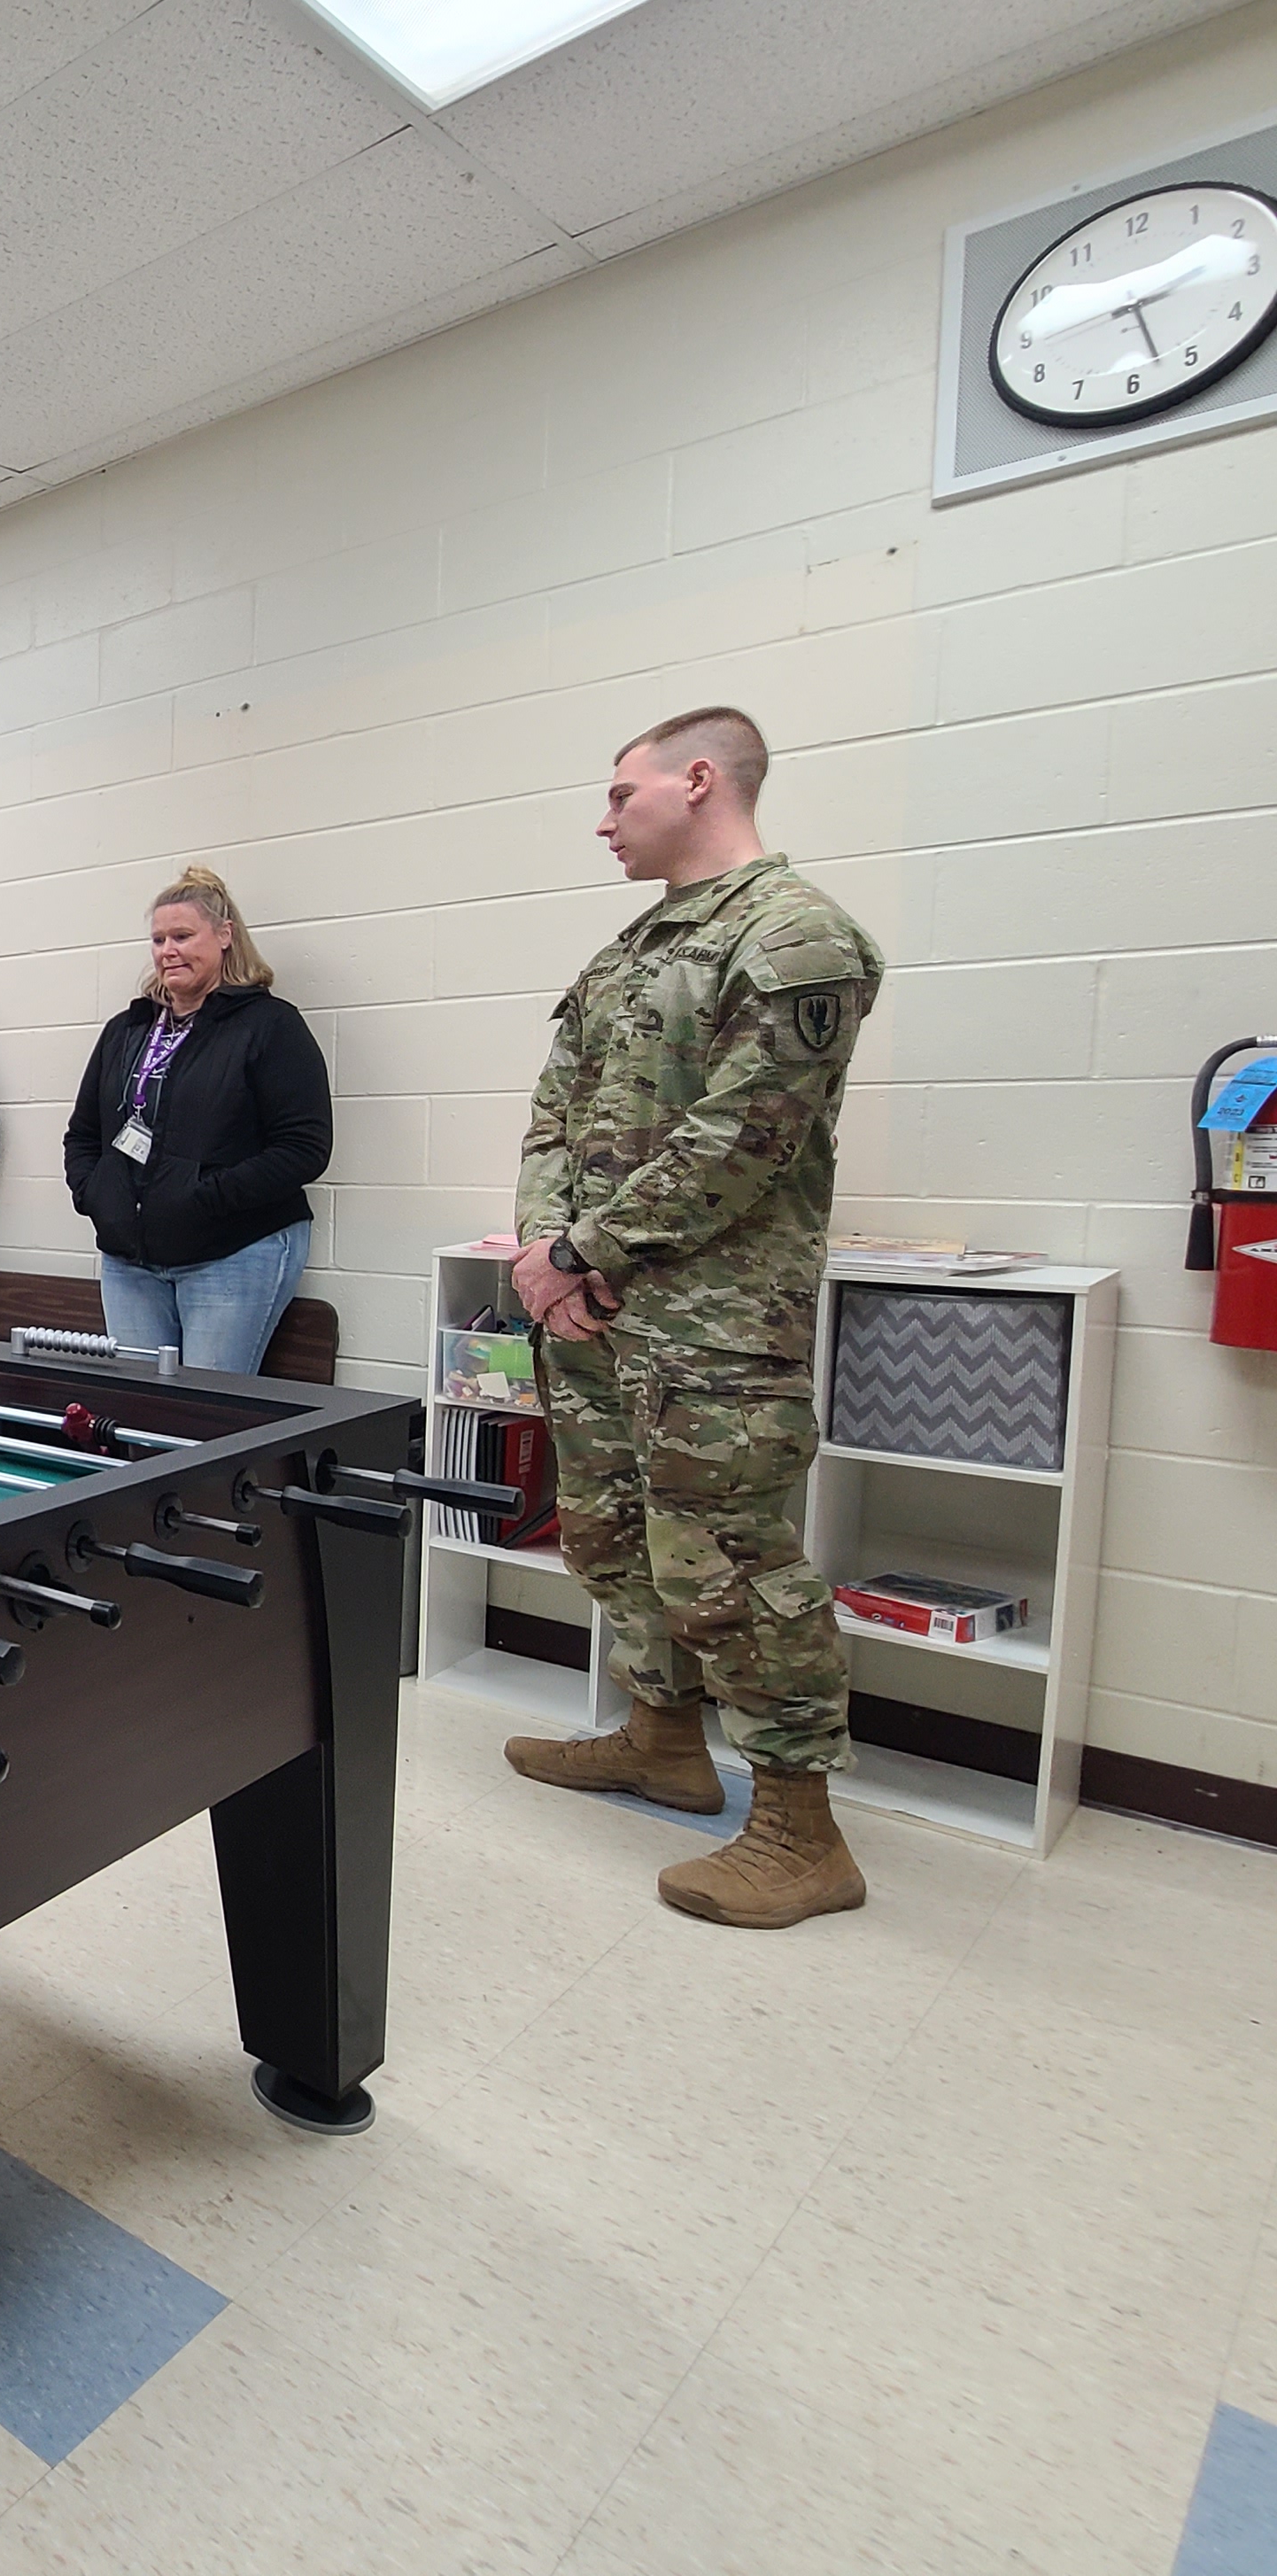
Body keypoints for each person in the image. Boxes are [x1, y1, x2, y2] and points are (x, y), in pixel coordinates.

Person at [504, 707, 884, 1931]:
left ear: (700, 779)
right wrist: (546, 1259)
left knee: (727, 1561)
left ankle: (799, 1829)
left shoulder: (799, 936)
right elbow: (553, 1111)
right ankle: (662, 1741)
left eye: (623, 793)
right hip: (596, 1307)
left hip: (715, 1320)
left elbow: (745, 1136)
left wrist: (581, 1252)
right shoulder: (627, 951)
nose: (604, 817)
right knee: (608, 1535)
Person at [59, 865, 333, 1375]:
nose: (168, 950)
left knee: (207, 1418)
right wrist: (96, 1194)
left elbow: (304, 1148)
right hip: (130, 1259)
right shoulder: (127, 1030)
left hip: (231, 1252)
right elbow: (84, 1134)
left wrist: (205, 1197)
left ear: (225, 936)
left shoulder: (269, 1025)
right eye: (159, 939)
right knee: (140, 1415)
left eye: (183, 936)